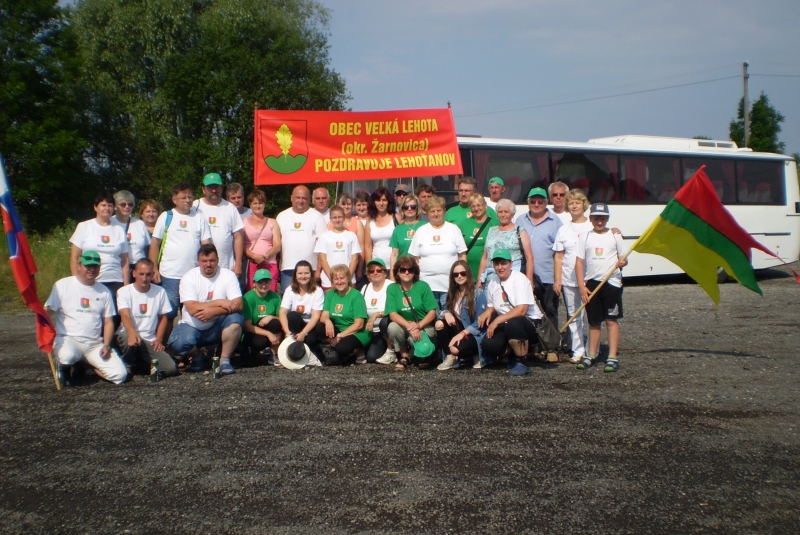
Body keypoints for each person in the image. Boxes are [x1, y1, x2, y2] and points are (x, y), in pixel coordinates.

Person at [45, 250, 128, 385]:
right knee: (67, 356)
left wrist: (106, 345)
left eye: (95, 266)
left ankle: (85, 365)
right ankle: (64, 368)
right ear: (79, 265)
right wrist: (39, 312)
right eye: (87, 266)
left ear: (99, 268)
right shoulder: (62, 285)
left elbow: (108, 322)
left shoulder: (104, 291)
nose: (91, 269)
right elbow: (48, 311)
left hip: (94, 344)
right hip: (69, 339)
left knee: (120, 376)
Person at [149, 182, 212, 340]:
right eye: (183, 197)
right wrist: (154, 270)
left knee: (193, 314)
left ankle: (189, 349)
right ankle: (164, 347)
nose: (187, 200)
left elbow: (206, 245)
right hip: (169, 274)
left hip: (192, 275)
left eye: (190, 196)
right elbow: (155, 244)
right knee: (168, 314)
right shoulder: (166, 216)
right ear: (174, 199)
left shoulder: (199, 216)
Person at [167, 244, 243, 375]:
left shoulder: (228, 275)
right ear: (198, 262)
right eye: (204, 261)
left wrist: (214, 311)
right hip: (193, 326)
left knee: (236, 320)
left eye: (212, 260)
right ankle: (197, 354)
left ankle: (224, 361)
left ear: (217, 260)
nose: (208, 264)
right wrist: (221, 302)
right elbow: (192, 308)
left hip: (217, 325)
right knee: (178, 345)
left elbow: (238, 304)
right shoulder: (188, 277)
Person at [575, 203, 627, 372]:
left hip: (612, 283)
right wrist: (581, 286)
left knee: (611, 320)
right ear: (590, 219)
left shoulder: (615, 236)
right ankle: (591, 355)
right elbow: (579, 262)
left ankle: (612, 357)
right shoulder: (585, 237)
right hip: (592, 284)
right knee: (594, 321)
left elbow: (624, 258)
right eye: (596, 218)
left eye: (602, 218)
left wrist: (623, 262)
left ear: (607, 219)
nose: (599, 222)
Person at [478, 249, 544, 376]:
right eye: (497, 264)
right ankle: (513, 353)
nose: (500, 267)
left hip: (529, 323)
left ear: (511, 264)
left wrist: (497, 320)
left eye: (503, 263)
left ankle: (522, 362)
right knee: (488, 345)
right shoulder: (493, 282)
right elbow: (492, 306)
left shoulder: (520, 279)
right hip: (506, 322)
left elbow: (521, 310)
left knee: (514, 323)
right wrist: (486, 313)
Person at [70, 191, 130, 315]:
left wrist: (126, 285)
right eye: (103, 205)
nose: (107, 208)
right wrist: (76, 281)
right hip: (91, 279)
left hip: (115, 280)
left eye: (110, 205)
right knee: (92, 315)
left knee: (113, 318)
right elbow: (75, 257)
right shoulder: (84, 226)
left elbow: (125, 260)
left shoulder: (119, 229)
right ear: (95, 207)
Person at [115, 258, 176, 379]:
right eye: (141, 274)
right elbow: (125, 315)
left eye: (148, 274)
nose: (144, 278)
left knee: (171, 369)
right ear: (134, 273)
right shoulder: (124, 291)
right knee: (127, 337)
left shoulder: (160, 291)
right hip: (129, 333)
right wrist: (132, 333)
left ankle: (138, 365)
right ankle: (128, 363)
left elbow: (163, 317)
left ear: (153, 274)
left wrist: (159, 339)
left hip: (149, 339)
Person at [553, 190, 593, 364]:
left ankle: (593, 348)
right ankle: (578, 350)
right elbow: (559, 256)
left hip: (590, 278)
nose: (575, 205)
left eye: (578, 202)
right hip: (569, 280)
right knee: (574, 315)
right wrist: (557, 280)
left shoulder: (592, 226)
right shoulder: (563, 229)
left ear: (584, 204)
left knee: (592, 316)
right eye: (571, 203)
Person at [516, 187, 563, 329]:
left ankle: (552, 345)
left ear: (546, 202)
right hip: (525, 276)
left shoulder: (555, 221)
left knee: (550, 311)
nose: (536, 204)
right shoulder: (520, 220)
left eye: (540, 202)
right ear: (528, 202)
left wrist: (558, 279)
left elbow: (561, 252)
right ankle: (532, 344)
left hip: (547, 275)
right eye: (533, 201)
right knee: (527, 311)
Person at [408, 195, 467, 307]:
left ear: (444, 211)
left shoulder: (453, 229)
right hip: (426, 284)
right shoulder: (421, 231)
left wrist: (462, 278)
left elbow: (462, 256)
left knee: (450, 316)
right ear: (427, 213)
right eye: (432, 211)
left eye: (439, 210)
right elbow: (415, 259)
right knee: (431, 317)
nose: (436, 214)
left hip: (449, 284)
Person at [385, 255, 438, 370]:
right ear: (397, 272)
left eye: (410, 270)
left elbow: (432, 312)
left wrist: (418, 326)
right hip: (405, 325)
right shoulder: (392, 288)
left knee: (423, 348)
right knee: (392, 327)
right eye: (403, 270)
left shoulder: (423, 286)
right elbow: (392, 314)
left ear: (415, 272)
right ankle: (404, 356)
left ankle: (423, 355)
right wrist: (410, 326)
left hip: (423, 324)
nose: (407, 272)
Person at [435, 260, 488, 370]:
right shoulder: (451, 293)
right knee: (439, 323)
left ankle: (476, 354)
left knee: (455, 349)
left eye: (463, 273)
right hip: (459, 329)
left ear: (468, 273)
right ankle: (451, 358)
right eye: (456, 274)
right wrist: (446, 314)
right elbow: (441, 310)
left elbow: (480, 322)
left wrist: (462, 334)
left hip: (474, 333)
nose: (459, 276)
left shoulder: (478, 293)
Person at [275, 185, 327, 293]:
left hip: (311, 269)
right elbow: (276, 245)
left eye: (304, 198)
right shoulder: (281, 216)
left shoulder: (317, 216)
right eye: (298, 197)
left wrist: (318, 270)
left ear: (309, 200)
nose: (301, 200)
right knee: (288, 301)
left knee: (311, 301)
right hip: (288, 269)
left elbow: (322, 247)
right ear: (291, 198)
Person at [194, 172, 245, 279]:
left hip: (226, 267)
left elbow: (238, 236)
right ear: (203, 189)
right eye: (210, 187)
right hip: (199, 267)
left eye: (216, 187)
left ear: (221, 189)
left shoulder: (230, 207)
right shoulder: (195, 206)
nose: (214, 190)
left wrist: (238, 264)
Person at [319, 264, 372, 365]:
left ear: (348, 278)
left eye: (342, 278)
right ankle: (333, 347)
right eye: (336, 279)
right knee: (319, 327)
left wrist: (339, 336)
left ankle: (358, 351)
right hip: (340, 328)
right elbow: (324, 316)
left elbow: (359, 324)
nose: (339, 282)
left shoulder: (356, 295)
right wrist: (327, 321)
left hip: (357, 332)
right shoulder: (331, 294)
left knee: (342, 348)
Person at [278, 260, 325, 366]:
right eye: (300, 273)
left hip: (310, 326)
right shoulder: (289, 290)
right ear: (295, 275)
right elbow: (282, 312)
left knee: (313, 337)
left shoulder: (318, 291)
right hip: (294, 326)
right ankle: (290, 352)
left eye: (306, 273)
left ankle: (308, 354)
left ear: (311, 275)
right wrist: (288, 333)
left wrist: (303, 333)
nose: (303, 276)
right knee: (292, 315)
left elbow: (315, 316)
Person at [478, 199, 533, 286]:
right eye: (500, 212)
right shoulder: (491, 230)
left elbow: (529, 257)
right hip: (491, 279)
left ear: (512, 214)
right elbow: (485, 257)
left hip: (512, 279)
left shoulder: (520, 231)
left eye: (506, 212)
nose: (503, 215)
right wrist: (479, 280)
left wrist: (529, 281)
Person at [242, 187, 281, 292]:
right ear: (250, 205)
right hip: (251, 264)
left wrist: (265, 256)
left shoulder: (272, 222)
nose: (258, 206)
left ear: (264, 204)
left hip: (270, 263)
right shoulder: (243, 222)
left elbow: (277, 245)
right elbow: (241, 246)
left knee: (270, 293)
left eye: (260, 203)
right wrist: (254, 256)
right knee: (252, 293)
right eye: (255, 203)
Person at [242, 269, 283, 365]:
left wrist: (271, 317)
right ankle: (251, 350)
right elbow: (247, 326)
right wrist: (268, 334)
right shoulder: (248, 298)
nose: (264, 286)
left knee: (275, 323)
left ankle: (274, 354)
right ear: (254, 283)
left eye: (266, 282)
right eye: (260, 282)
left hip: (267, 328)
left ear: (271, 282)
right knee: (260, 342)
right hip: (252, 331)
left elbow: (282, 318)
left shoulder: (275, 297)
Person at [314, 205, 361, 289]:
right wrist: (332, 278)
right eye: (334, 217)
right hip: (329, 281)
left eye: (340, 217)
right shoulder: (324, 236)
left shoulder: (351, 236)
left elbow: (355, 259)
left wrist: (347, 278)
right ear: (330, 219)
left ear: (343, 218)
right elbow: (322, 259)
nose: (337, 220)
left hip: (348, 280)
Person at [360, 258, 395, 364]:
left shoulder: (391, 286)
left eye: (379, 270)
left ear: (385, 273)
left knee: (372, 357)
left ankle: (392, 350)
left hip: (384, 328)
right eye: (371, 271)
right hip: (369, 329)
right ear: (368, 275)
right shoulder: (365, 288)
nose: (375, 273)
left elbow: (394, 309)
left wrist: (377, 314)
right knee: (369, 357)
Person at [458, 193, 498, 279]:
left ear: (485, 206)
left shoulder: (495, 223)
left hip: (490, 271)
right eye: (473, 206)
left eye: (479, 205)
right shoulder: (464, 224)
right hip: (469, 272)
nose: (476, 208)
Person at [112, 190, 151, 273]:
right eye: (123, 204)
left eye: (130, 204)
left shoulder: (140, 224)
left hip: (138, 269)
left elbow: (148, 248)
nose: (127, 207)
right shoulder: (110, 223)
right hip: (117, 267)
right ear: (115, 206)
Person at [388, 194, 425, 276]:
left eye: (413, 207)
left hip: (421, 272)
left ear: (417, 208)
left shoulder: (425, 226)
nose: (409, 209)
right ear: (402, 209)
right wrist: (392, 275)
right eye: (406, 207)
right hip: (403, 272)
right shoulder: (398, 229)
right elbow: (394, 255)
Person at [335, 193, 367, 285]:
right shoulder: (331, 223)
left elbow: (361, 247)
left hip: (352, 267)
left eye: (348, 204)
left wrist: (360, 269)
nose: (346, 206)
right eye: (343, 204)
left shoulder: (357, 223)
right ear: (338, 205)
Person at [364, 187, 396, 268]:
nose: (381, 203)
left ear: (389, 201)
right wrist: (369, 266)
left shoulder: (397, 218)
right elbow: (368, 247)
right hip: (377, 268)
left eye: (384, 200)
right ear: (374, 202)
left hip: (394, 266)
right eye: (378, 200)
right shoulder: (369, 222)